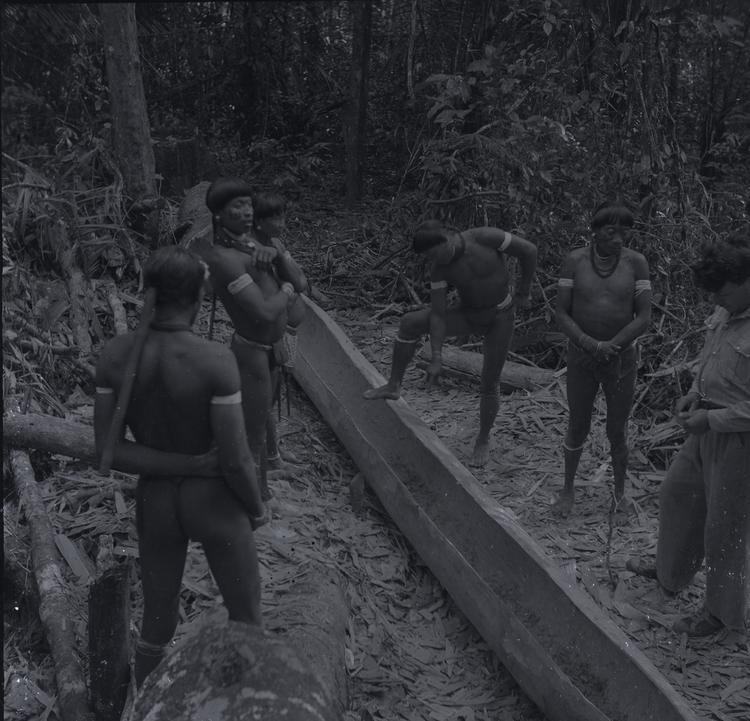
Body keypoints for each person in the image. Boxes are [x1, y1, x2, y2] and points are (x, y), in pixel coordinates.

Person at [94, 247, 267, 686]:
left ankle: (144, 705)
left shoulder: (115, 355)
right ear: (200, 294)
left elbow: (108, 452)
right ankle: (241, 706)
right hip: (213, 503)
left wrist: (176, 463)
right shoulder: (214, 359)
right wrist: (255, 506)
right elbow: (233, 458)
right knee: (245, 618)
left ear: (146, 292)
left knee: (155, 627)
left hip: (157, 501)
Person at [629, 230, 750, 637]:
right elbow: (711, 356)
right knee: (677, 494)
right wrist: (694, 393)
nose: (716, 301)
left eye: (724, 292)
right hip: (705, 425)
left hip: (738, 440)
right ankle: (671, 573)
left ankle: (722, 616)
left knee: (724, 528)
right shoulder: (726, 308)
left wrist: (712, 420)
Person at [363, 220, 537, 467]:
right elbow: (438, 314)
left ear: (448, 237)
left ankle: (484, 438)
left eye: (435, 253)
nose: (435, 260)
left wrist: (525, 290)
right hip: (468, 315)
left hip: (501, 315)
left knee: (490, 382)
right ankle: (393, 384)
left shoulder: (485, 237)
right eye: (429, 257)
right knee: (410, 322)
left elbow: (529, 250)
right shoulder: (440, 270)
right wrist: (436, 356)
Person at [194, 178, 306, 500]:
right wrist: (285, 289)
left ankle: (263, 479)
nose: (246, 212)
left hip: (273, 350)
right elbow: (265, 312)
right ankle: (257, 501)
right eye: (236, 207)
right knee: (253, 433)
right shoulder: (223, 259)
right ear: (218, 215)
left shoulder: (257, 245)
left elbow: (300, 282)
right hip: (253, 353)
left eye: (248, 205)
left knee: (261, 417)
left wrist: (279, 260)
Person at [553, 201, 652, 517]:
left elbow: (644, 316)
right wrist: (588, 343)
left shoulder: (636, 263)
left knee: (617, 429)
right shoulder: (575, 262)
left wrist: (613, 344)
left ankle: (619, 495)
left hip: (621, 360)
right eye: (612, 232)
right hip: (582, 356)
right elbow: (561, 313)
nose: (619, 239)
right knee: (577, 424)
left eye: (625, 233)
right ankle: (567, 490)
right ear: (595, 232)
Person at [251, 191, 308, 469]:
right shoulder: (251, 250)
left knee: (275, 394)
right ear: (258, 221)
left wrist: (280, 257)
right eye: (275, 217)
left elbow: (300, 281)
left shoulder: (275, 243)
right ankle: (269, 457)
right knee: (266, 396)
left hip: (288, 332)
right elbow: (292, 286)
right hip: (270, 334)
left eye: (283, 215)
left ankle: (274, 451)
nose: (282, 222)